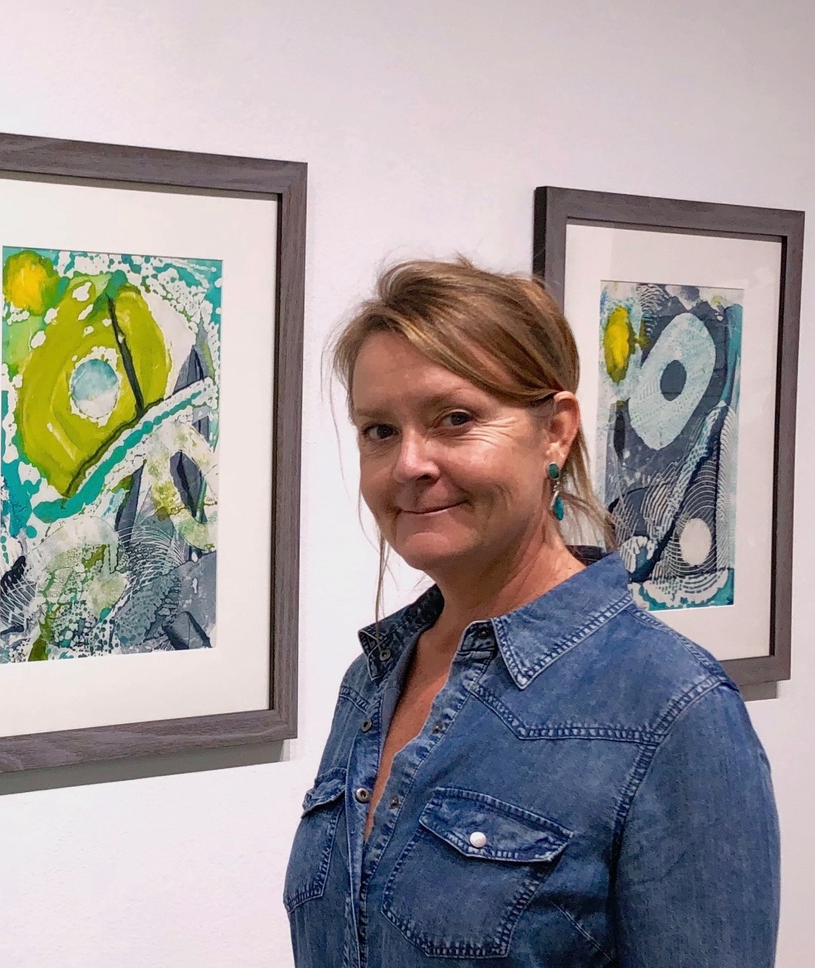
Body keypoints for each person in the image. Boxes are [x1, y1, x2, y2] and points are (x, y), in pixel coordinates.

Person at [284, 259, 779, 967]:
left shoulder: (672, 710)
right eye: (380, 431)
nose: (409, 464)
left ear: (555, 432)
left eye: (455, 419)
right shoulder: (372, 681)